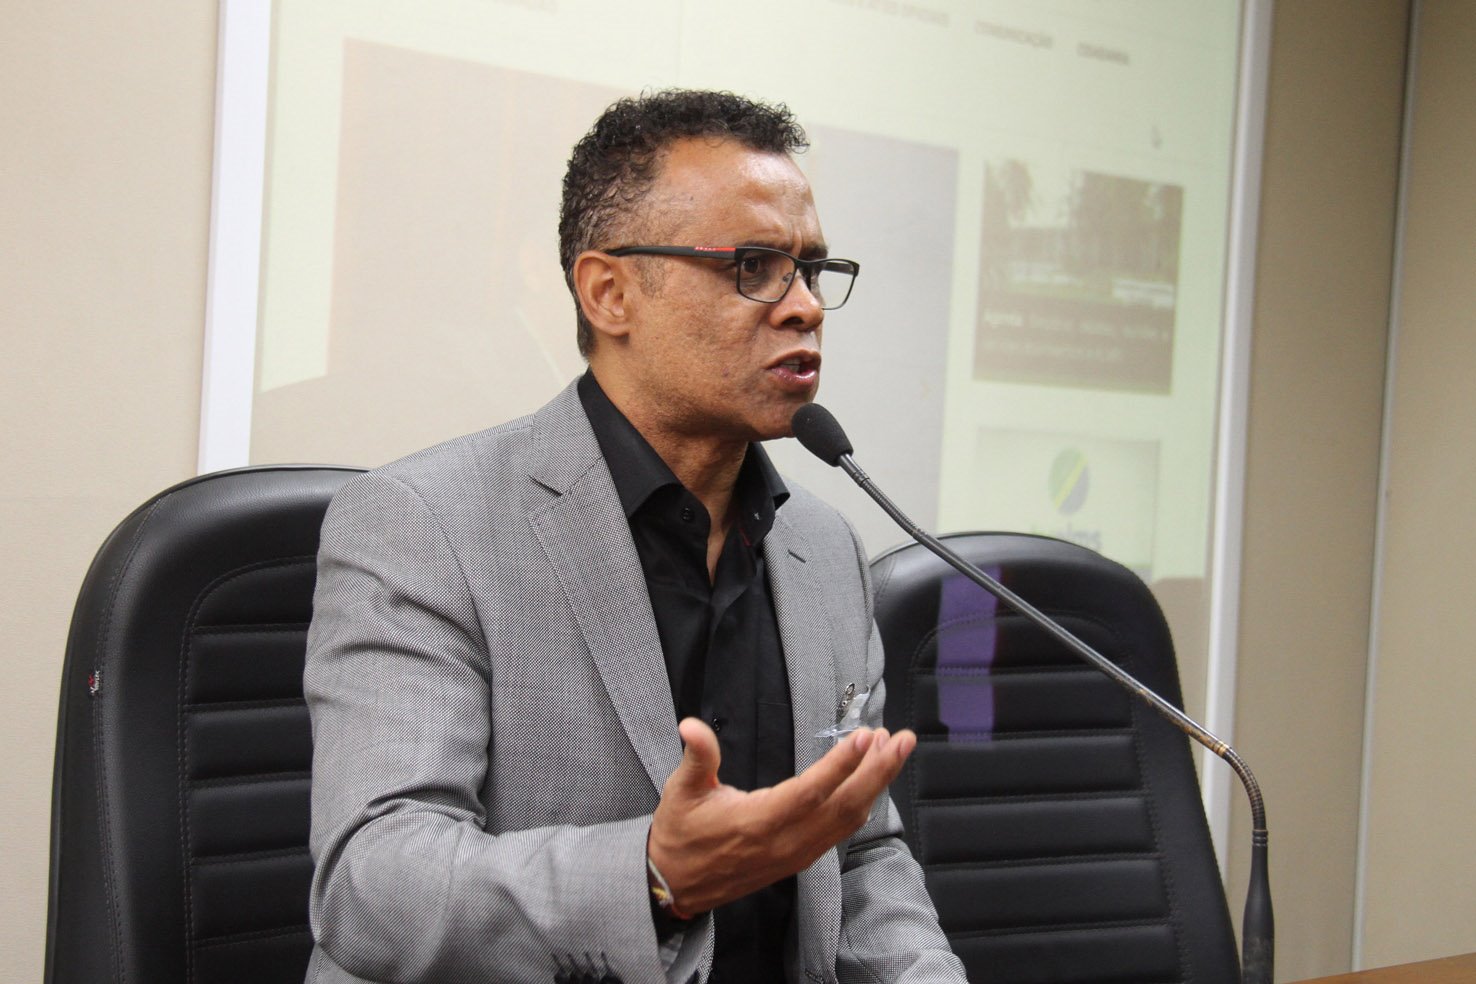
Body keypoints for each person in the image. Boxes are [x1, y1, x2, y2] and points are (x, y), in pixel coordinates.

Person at [303, 89, 965, 984]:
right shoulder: (423, 524)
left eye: (812, 269)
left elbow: (860, 857)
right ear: (609, 293)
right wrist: (652, 878)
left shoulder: (825, 547)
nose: (805, 306)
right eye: (755, 266)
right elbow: (374, 884)